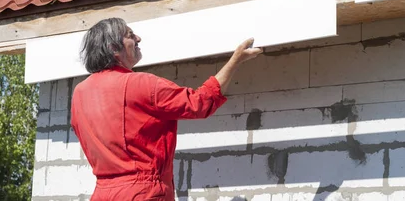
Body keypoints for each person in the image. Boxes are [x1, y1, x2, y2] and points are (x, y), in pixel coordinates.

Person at [70, 17, 262, 200]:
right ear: (113, 48)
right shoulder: (141, 84)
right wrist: (235, 61)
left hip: (103, 193)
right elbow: (199, 104)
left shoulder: (80, 93)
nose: (138, 39)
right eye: (130, 35)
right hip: (142, 193)